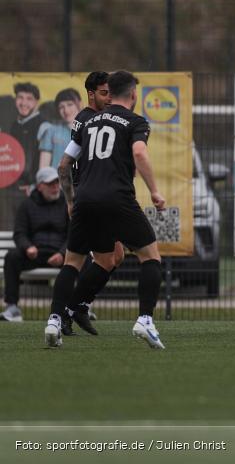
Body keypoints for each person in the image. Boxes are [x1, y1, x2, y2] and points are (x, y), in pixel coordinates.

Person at [45, 70, 166, 349]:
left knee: (73, 262)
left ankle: (55, 318)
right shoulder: (135, 121)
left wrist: (71, 201)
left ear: (109, 93)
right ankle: (145, 319)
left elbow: (64, 164)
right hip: (117, 198)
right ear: (133, 94)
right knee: (150, 257)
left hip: (85, 199)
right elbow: (139, 152)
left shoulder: (87, 121)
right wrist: (155, 191)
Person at [56, 72, 123, 336]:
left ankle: (74, 308)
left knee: (113, 257)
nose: (109, 98)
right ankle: (67, 311)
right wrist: (70, 201)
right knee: (76, 260)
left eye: (111, 93)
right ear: (91, 94)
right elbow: (65, 165)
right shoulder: (87, 119)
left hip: (98, 199)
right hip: (92, 201)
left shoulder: (94, 118)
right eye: (104, 93)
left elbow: (66, 165)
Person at [0, 167, 67, 322]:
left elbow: (74, 234)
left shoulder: (67, 204)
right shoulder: (27, 205)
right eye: (50, 183)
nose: (55, 186)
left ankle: (82, 308)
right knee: (12, 257)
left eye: (57, 182)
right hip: (35, 253)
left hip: (61, 255)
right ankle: (12, 308)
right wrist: (27, 247)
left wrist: (63, 253)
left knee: (85, 259)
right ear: (39, 186)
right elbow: (19, 233)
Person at [10, 82, 45, 192]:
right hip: (13, 186)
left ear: (36, 102)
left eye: (29, 99)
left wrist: (34, 185)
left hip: (33, 188)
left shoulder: (43, 125)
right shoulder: (14, 125)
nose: (24, 103)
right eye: (20, 97)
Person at [39, 88, 83, 169]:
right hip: (57, 180)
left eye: (70, 104)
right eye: (61, 107)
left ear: (80, 104)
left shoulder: (92, 129)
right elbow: (43, 168)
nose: (66, 110)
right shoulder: (51, 131)